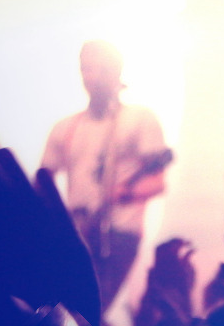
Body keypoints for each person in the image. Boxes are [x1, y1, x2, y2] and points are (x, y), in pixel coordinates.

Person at [40, 39, 174, 306]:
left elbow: (158, 183)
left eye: (101, 69)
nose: (92, 77)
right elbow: (43, 180)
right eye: (86, 68)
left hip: (120, 233)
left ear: (116, 71)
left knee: (91, 306)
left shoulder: (139, 118)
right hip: (75, 232)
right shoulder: (66, 128)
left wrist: (125, 193)